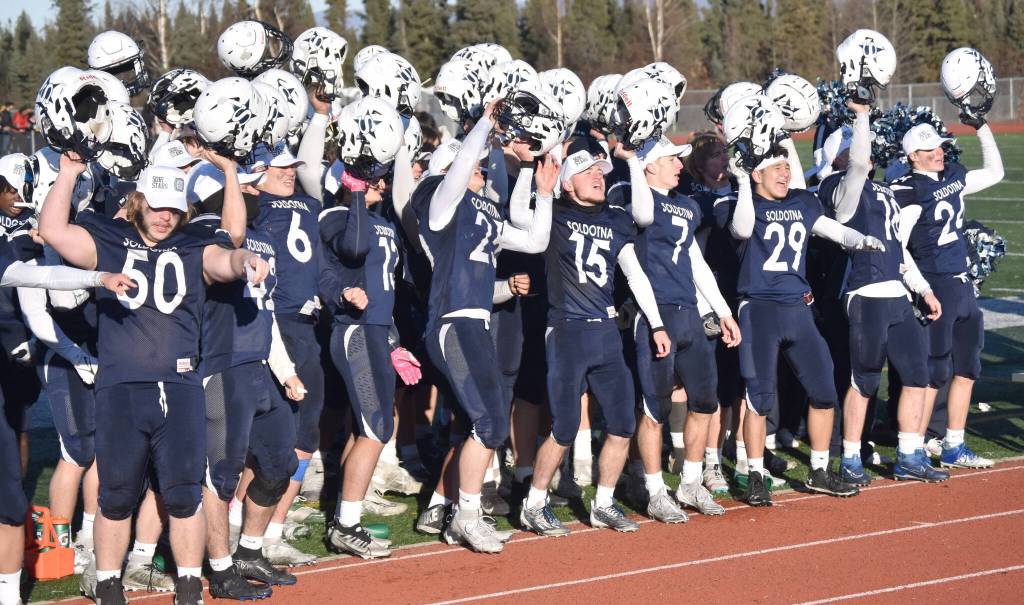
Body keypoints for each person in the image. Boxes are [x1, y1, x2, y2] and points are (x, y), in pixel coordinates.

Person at [39, 155, 271, 605]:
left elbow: (227, 256)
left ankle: (190, 586)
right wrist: (67, 174)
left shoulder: (193, 243)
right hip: (121, 388)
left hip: (179, 388)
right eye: (157, 206)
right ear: (139, 201)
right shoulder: (109, 238)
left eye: (173, 209)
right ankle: (109, 584)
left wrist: (247, 261)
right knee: (116, 495)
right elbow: (52, 230)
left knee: (184, 495)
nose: (165, 217)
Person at [413, 102, 556, 553]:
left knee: (487, 423)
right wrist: (485, 126)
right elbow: (457, 174)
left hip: (477, 324)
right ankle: (466, 516)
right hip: (452, 322)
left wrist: (542, 191)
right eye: (468, 164)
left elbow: (535, 240)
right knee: (489, 422)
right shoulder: (439, 203)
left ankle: (460, 511)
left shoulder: (483, 210)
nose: (477, 168)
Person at [519, 144, 669, 537]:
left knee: (622, 423)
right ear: (568, 183)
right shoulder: (554, 212)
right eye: (587, 172)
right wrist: (542, 183)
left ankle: (603, 504)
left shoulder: (616, 219)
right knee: (565, 426)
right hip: (567, 329)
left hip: (605, 331)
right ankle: (534, 503)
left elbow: (635, 274)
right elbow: (522, 217)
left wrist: (657, 324)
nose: (598, 176)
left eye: (600, 170)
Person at [729, 149, 883, 507]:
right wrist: (742, 181)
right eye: (776, 168)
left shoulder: (801, 202)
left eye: (787, 167)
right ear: (757, 174)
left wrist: (858, 240)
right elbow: (743, 229)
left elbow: (831, 229)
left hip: (797, 308)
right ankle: (754, 475)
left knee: (824, 391)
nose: (784, 174)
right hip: (760, 308)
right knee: (758, 397)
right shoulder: (745, 203)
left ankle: (818, 470)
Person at [616, 136, 740, 522]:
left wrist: (722, 311)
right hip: (656, 314)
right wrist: (632, 162)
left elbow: (695, 261)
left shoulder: (686, 205)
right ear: (650, 165)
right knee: (655, 407)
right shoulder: (637, 202)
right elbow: (641, 215)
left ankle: (690, 482)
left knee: (705, 401)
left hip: (689, 312)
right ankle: (655, 490)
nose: (678, 165)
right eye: (670, 159)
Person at [890, 115, 1004, 469]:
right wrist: (922, 289)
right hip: (936, 283)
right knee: (932, 372)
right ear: (913, 155)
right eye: (929, 150)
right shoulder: (908, 189)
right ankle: (915, 448)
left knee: (967, 368)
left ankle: (954, 444)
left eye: (939, 146)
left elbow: (995, 172)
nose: (938, 153)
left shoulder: (952, 175)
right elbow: (897, 248)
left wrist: (981, 126)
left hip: (962, 283)